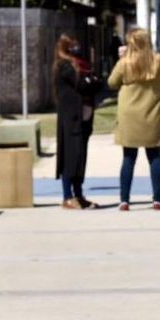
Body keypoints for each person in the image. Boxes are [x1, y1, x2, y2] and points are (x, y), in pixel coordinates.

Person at [107, 28, 160, 210]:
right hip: (152, 113)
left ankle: (124, 200)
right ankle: (157, 199)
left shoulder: (125, 63)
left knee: (128, 158)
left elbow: (112, 82)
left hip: (129, 116)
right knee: (155, 156)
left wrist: (121, 59)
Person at [53, 33, 99, 209]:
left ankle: (79, 195)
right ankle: (68, 196)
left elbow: (95, 83)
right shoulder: (64, 65)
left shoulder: (80, 63)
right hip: (71, 118)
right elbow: (82, 84)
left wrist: (93, 80)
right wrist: (92, 81)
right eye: (72, 45)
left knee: (80, 157)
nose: (76, 48)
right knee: (70, 157)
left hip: (83, 116)